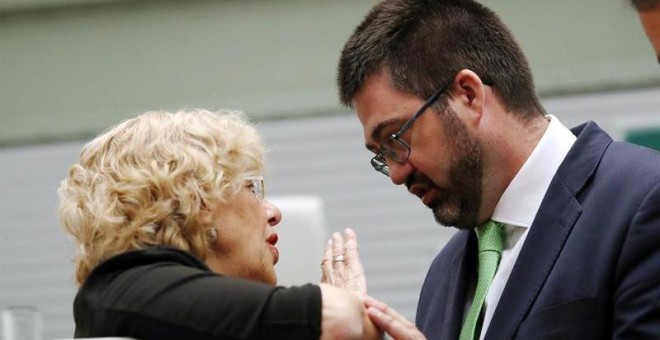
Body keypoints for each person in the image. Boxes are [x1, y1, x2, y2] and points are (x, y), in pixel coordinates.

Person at [335, 0, 660, 339]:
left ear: (469, 95)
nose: (397, 174)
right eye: (381, 156)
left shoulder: (643, 202)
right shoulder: (441, 279)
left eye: (395, 139)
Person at [57, 109, 380, 339]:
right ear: (196, 199)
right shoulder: (130, 284)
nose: (272, 212)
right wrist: (351, 303)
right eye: (252, 188)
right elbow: (341, 320)